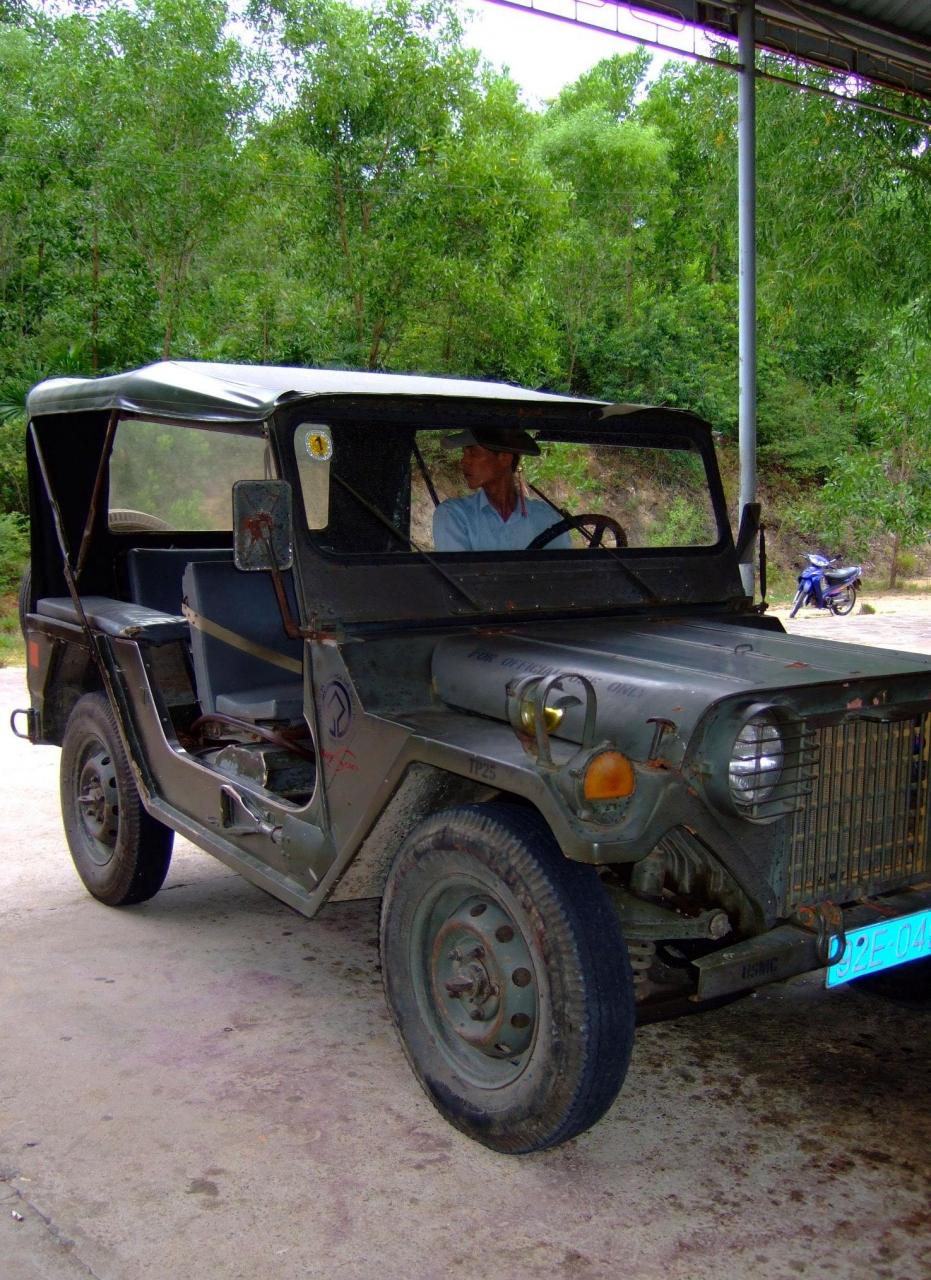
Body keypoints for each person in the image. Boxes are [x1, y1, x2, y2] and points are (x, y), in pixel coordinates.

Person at [432, 426, 571, 552]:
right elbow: (458, 571)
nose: (463, 461)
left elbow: (564, 569)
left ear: (505, 458)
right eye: (464, 453)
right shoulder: (455, 515)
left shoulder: (546, 517)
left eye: (473, 453)